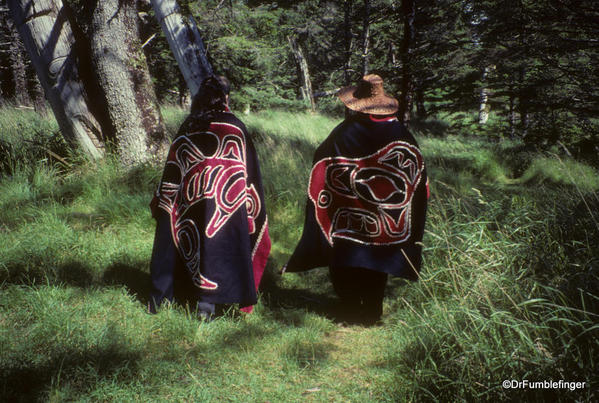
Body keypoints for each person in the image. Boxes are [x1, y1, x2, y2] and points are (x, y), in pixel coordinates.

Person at [282, 74, 428, 325]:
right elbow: (416, 173)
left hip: (347, 210)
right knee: (378, 257)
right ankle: (372, 311)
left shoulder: (344, 131)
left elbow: (323, 162)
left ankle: (349, 308)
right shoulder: (400, 133)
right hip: (385, 215)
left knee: (346, 256)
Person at [148, 75, 271, 319]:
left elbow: (173, 170)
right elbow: (250, 175)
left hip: (189, 202)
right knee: (218, 247)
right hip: (227, 203)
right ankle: (210, 305)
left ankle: (186, 297)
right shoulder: (235, 126)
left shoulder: (189, 125)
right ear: (226, 97)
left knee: (189, 240)